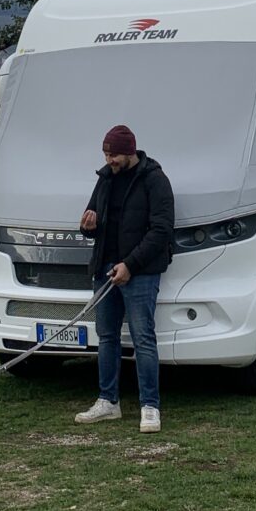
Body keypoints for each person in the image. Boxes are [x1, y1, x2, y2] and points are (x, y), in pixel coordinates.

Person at [75, 124, 174, 433]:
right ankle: (108, 402)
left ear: (130, 152)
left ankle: (150, 407)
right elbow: (93, 217)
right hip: (105, 268)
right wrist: (87, 226)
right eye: (106, 154)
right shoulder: (104, 179)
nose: (109, 160)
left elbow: (161, 231)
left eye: (114, 155)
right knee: (106, 336)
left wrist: (130, 264)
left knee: (143, 337)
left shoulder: (155, 181)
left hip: (141, 272)